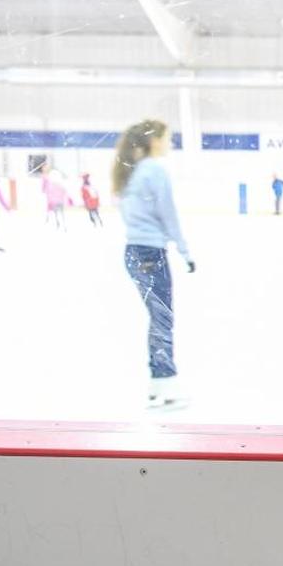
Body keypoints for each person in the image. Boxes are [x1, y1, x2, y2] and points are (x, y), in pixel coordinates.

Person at [112, 119, 195, 410]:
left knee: (158, 318)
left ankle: (157, 384)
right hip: (150, 252)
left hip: (134, 251)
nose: (170, 143)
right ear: (154, 140)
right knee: (162, 319)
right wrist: (184, 250)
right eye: (167, 138)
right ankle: (166, 385)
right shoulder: (154, 170)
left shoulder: (131, 171)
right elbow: (167, 213)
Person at [41, 164, 70, 230]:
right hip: (52, 195)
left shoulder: (50, 176)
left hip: (54, 195)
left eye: (45, 168)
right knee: (55, 210)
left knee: (57, 209)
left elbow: (44, 187)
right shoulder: (47, 176)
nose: (45, 169)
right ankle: (57, 222)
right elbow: (43, 186)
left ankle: (60, 223)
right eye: (44, 168)